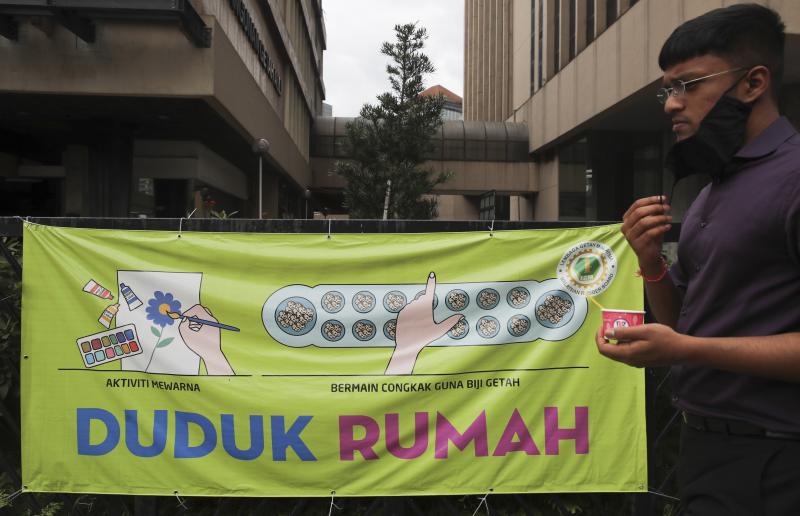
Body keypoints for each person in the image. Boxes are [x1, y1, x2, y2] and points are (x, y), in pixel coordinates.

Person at [594, 4, 800, 515]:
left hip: (779, 458)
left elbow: (687, 339)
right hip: (708, 447)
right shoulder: (713, 186)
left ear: (753, 83)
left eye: (689, 84)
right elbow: (684, 321)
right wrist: (651, 263)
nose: (670, 104)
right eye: (668, 89)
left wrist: (685, 350)